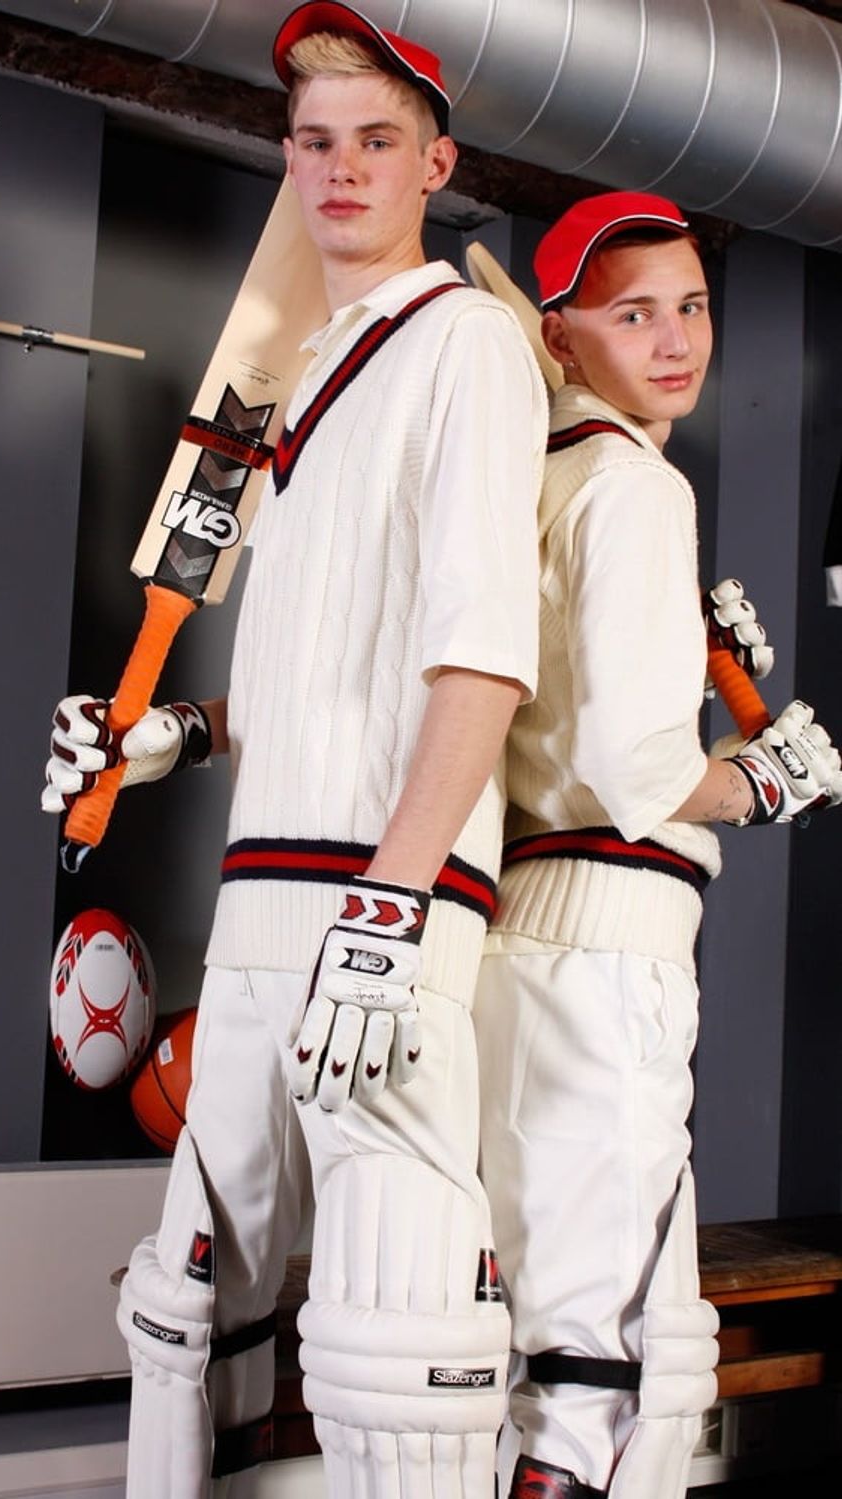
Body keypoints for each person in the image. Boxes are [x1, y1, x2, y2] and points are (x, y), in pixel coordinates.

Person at [43, 5, 548, 1495]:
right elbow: (312, 675)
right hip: (256, 910)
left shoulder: (468, 346)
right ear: (289, 157)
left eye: (376, 142)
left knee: (401, 1368)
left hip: (384, 908)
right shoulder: (301, 383)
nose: (340, 169)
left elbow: (481, 658)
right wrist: (165, 739)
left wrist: (394, 904)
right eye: (315, 141)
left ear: (433, 164)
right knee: (182, 1320)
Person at [472, 191, 842, 1499]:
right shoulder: (636, 488)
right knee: (600, 1389)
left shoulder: (541, 479)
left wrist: (686, 659)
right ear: (562, 338)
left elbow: (557, 719)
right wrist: (764, 776)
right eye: (634, 313)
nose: (678, 339)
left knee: (536, 1360)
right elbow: (639, 777)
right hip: (611, 958)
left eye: (691, 305)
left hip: (518, 955)